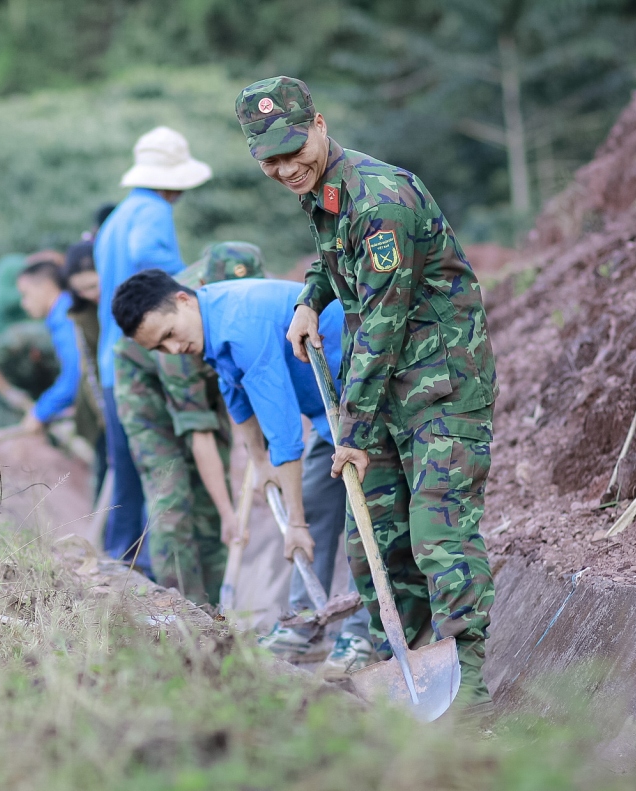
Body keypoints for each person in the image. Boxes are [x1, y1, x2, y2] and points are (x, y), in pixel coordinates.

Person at [235, 76, 499, 714]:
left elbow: (383, 319)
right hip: (382, 389)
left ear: (320, 125)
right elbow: (333, 259)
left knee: (439, 532)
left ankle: (471, 699)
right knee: (376, 533)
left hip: (439, 385)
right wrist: (308, 300)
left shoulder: (380, 198)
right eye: (271, 159)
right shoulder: (324, 192)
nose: (286, 167)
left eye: (294, 149)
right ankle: (403, 678)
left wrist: (349, 429)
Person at [111, 270, 375, 675]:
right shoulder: (211, 325)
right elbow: (238, 398)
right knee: (320, 505)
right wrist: (257, 460)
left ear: (182, 301)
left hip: (363, 405)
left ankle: (364, 633)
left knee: (367, 518)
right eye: (160, 348)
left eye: (169, 334)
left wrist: (295, 522)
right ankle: (304, 624)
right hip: (330, 417)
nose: (173, 348)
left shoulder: (241, 325)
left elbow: (285, 434)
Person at [113, 242, 260, 607]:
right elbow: (200, 432)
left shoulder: (248, 295)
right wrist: (231, 515)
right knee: (172, 498)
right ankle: (181, 611)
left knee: (212, 499)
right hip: (147, 392)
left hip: (206, 378)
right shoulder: (172, 336)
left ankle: (215, 613)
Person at [93, 126, 212, 571]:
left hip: (113, 362)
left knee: (126, 466)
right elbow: (151, 257)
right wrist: (192, 289)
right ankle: (143, 569)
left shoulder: (116, 217)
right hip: (146, 358)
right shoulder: (153, 213)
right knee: (158, 467)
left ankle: (119, 560)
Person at [0, 252, 60, 428]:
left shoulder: (49, 331)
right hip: (5, 350)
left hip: (30, 357)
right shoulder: (9, 267)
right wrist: (9, 393)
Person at [14, 259, 80, 433]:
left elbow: (76, 374)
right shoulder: (65, 312)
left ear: (46, 286)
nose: (24, 303)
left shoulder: (67, 318)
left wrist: (40, 412)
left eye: (25, 293)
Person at [63, 241, 108, 499]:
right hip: (99, 406)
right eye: (81, 290)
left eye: (93, 286)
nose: (90, 294)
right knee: (104, 469)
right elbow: (89, 369)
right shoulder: (81, 316)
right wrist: (105, 414)